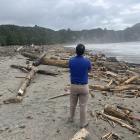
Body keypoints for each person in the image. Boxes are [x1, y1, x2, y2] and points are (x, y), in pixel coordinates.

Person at [68, 43, 91, 128]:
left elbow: (70, 69)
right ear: (83, 51)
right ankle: (82, 123)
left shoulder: (71, 60)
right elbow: (89, 70)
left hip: (73, 85)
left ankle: (71, 118)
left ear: (76, 51)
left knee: (72, 104)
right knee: (83, 106)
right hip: (84, 86)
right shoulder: (87, 61)